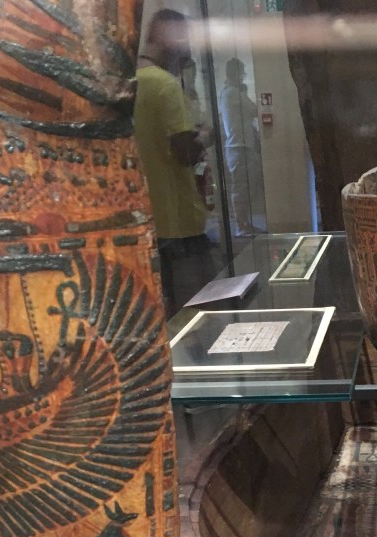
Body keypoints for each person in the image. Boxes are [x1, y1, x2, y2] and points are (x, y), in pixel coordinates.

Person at [134, 9, 217, 313]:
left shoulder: (131, 81)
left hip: (149, 217)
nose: (188, 51)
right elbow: (185, 153)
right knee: (196, 313)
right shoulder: (165, 85)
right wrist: (205, 137)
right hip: (178, 221)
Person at [219, 57, 265, 237]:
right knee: (240, 188)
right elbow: (255, 110)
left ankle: (245, 223)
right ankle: (241, 225)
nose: (243, 77)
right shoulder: (232, 93)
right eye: (242, 73)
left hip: (241, 147)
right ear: (236, 73)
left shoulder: (230, 92)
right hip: (239, 147)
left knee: (245, 187)